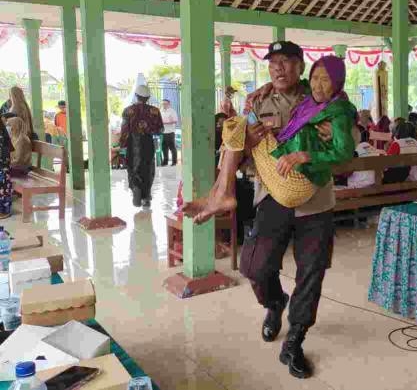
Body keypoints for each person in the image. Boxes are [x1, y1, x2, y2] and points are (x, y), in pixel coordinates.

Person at [182, 44, 353, 380]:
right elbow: (240, 152)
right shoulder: (256, 102)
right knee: (254, 265)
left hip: (315, 201)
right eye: (273, 63)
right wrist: (247, 144)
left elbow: (346, 138)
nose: (279, 69)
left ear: (301, 66)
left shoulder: (321, 93)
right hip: (271, 195)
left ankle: (295, 338)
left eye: (287, 62)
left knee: (312, 271)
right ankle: (274, 303)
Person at [120, 85, 164, 208]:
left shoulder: (128, 111)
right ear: (148, 97)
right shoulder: (155, 111)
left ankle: (136, 189)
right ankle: (146, 197)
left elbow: (124, 131)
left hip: (132, 143)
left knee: (133, 167)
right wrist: (149, 129)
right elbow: (160, 129)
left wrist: (122, 146)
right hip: (148, 142)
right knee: (148, 168)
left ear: (136, 95)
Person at [160, 99, 179, 166]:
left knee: (172, 147)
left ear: (169, 104)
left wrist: (165, 122)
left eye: (165, 104)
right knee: (164, 148)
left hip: (170, 132)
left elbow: (175, 121)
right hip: (163, 132)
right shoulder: (160, 111)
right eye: (163, 104)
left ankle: (174, 162)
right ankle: (165, 161)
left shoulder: (172, 111)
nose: (164, 105)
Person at [0, 116, 11, 219]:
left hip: (2, 166)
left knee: (3, 185)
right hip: (4, 166)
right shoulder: (3, 129)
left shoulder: (2, 132)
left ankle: (3, 211)